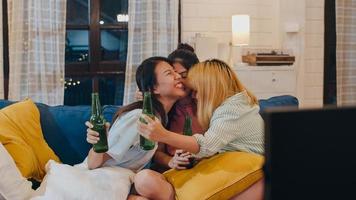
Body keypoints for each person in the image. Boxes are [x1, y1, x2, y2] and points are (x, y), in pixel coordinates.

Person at [134, 59, 264, 199]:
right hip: (225, 169)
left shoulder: (233, 109)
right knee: (144, 181)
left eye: (196, 90)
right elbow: (215, 149)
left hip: (251, 174)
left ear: (210, 87)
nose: (194, 96)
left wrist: (164, 135)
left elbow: (207, 145)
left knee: (144, 184)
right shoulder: (228, 106)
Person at [86, 56, 186, 200]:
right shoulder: (138, 118)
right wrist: (98, 143)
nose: (178, 76)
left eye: (177, 73)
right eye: (169, 73)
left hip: (124, 180)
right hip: (101, 179)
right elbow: (93, 163)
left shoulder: (159, 117)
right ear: (154, 88)